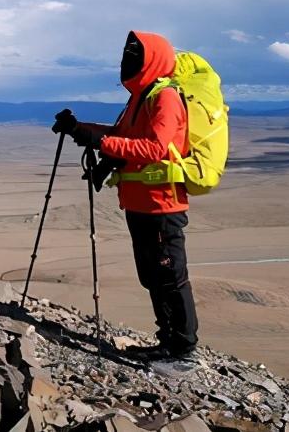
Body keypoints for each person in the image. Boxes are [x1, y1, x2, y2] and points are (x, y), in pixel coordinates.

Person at [52, 30, 198, 362]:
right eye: (127, 54)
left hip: (162, 204)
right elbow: (121, 136)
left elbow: (154, 148)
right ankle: (166, 342)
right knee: (153, 277)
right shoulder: (141, 97)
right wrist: (80, 129)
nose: (127, 61)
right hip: (138, 204)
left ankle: (182, 352)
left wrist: (100, 143)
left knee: (171, 277)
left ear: (153, 59)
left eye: (135, 54)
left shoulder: (165, 98)